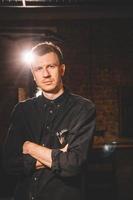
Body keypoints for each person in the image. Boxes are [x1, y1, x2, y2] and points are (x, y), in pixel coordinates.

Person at [3, 41, 96, 200]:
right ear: (33, 74)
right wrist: (58, 156)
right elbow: (8, 164)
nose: (45, 74)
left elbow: (73, 165)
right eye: (39, 69)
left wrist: (30, 147)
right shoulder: (22, 110)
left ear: (62, 69)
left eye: (51, 67)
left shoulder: (83, 109)